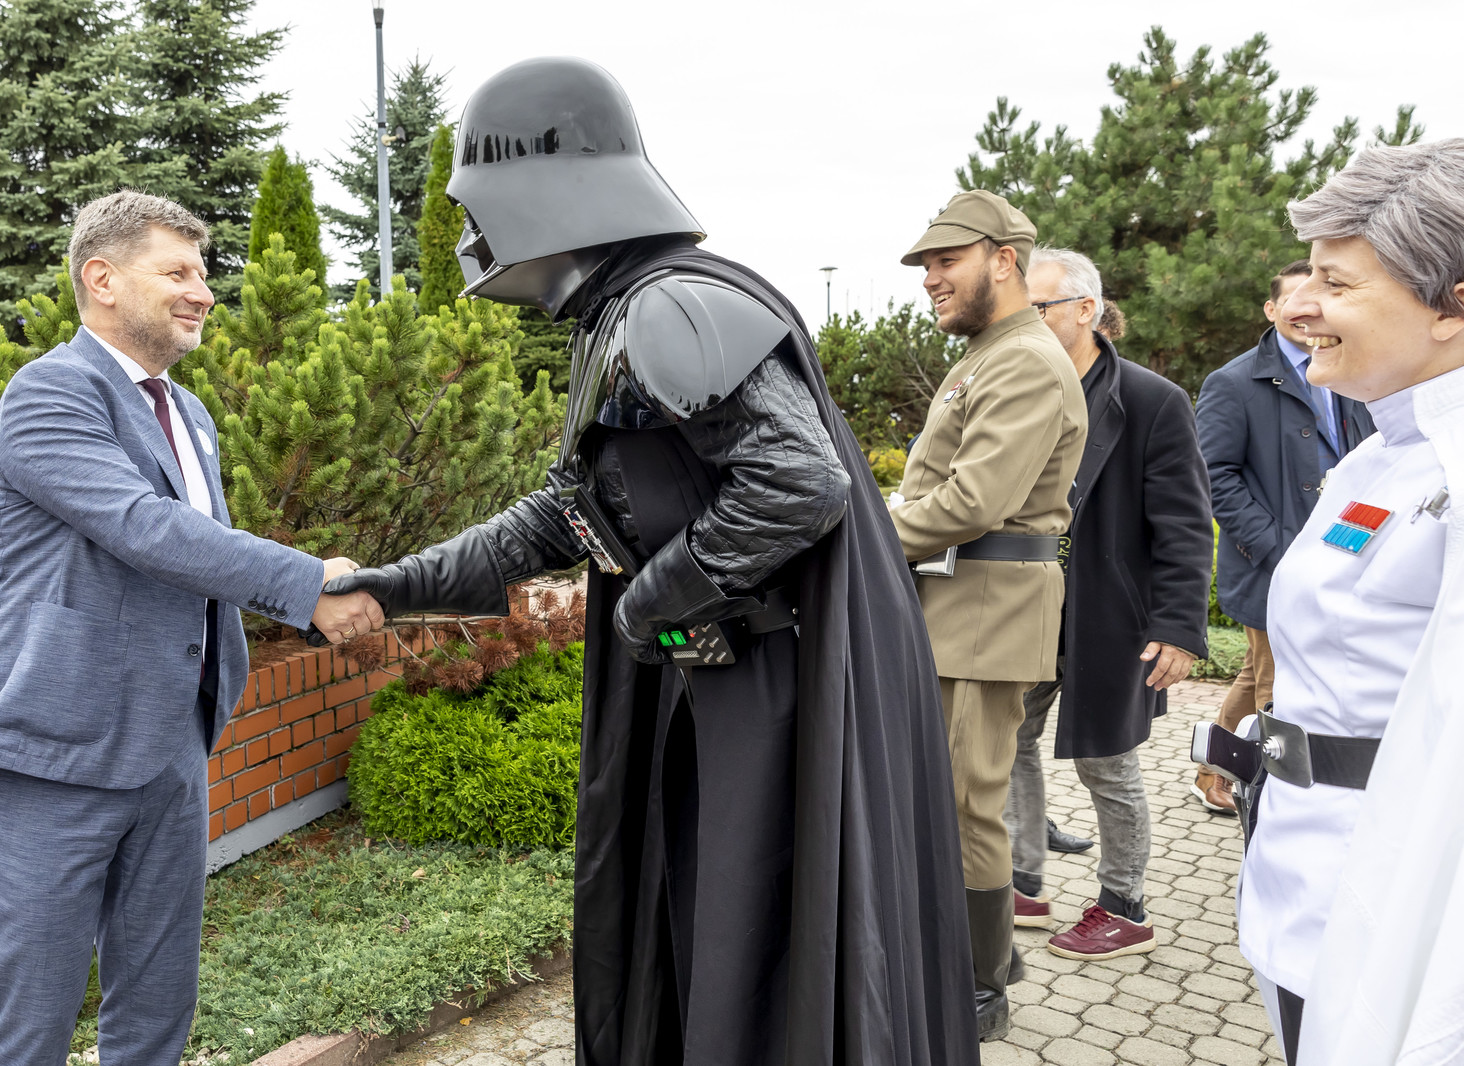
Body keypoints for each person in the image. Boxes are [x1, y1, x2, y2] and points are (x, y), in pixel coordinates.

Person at [324, 58, 979, 1065]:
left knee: (758, 943)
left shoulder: (671, 306)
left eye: (478, 197)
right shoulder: (621, 314)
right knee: (703, 929)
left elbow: (797, 483)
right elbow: (563, 518)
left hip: (766, 698)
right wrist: (395, 584)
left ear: (543, 187)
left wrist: (647, 606)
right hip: (726, 688)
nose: (471, 229)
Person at [0, 191, 384, 1065]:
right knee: (32, 1021)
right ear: (102, 278)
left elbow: (200, 563)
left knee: (157, 1008)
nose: (204, 292)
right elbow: (144, 528)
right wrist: (306, 584)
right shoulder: (49, 392)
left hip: (172, 746)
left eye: (205, 273)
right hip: (54, 756)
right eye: (179, 272)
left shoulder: (188, 413)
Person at [1232, 139, 1464, 1066]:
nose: (1302, 305)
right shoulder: (1377, 454)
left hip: (1394, 915)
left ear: (1451, 306)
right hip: (1297, 880)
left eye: (1336, 283)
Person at [889, 191, 1087, 1040]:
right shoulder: (990, 353)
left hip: (987, 612)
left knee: (963, 802)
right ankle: (987, 955)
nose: (930, 278)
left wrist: (862, 535)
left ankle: (977, 990)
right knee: (946, 796)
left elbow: (973, 501)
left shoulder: (1024, 361)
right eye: (927, 264)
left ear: (1003, 260)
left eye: (947, 261)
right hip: (961, 604)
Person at [1002, 249, 1211, 961]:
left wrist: (1179, 626)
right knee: (1007, 741)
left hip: (1110, 620)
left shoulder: (1152, 399)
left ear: (1085, 310)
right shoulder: (1019, 387)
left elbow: (1185, 523)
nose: (1023, 320)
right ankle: (1022, 881)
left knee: (1108, 765)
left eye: (1038, 308)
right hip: (1026, 610)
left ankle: (1125, 905)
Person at [1192, 261, 1374, 812]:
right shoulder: (1232, 382)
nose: (1309, 310)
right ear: (1272, 309)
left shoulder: (1347, 369)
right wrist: (1274, 545)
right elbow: (1213, 475)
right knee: (1277, 684)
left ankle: (1211, 772)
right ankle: (1270, 797)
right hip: (1271, 564)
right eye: (1295, 298)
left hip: (1341, 555)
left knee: (1257, 672)